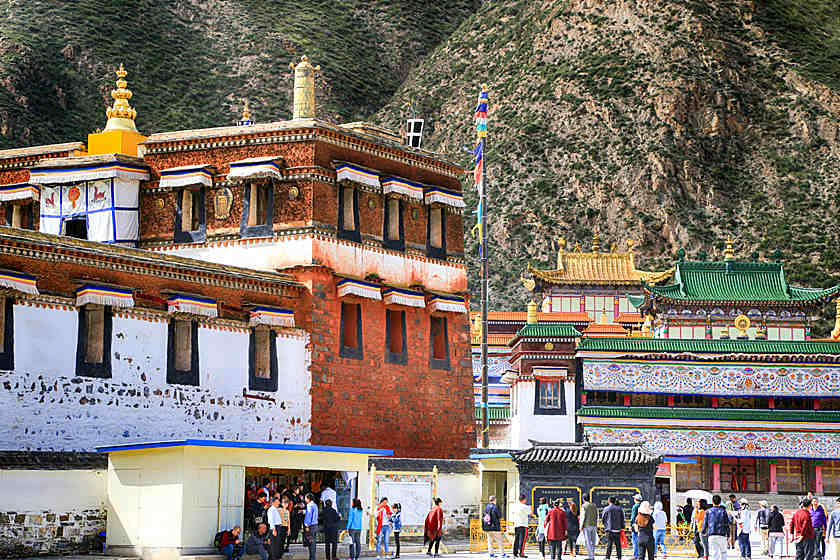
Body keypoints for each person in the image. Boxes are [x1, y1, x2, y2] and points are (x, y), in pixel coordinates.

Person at [701, 495, 729, 560]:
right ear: (720, 502)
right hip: (722, 534)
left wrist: (703, 531)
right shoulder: (723, 511)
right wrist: (728, 535)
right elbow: (726, 524)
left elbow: (705, 523)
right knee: (723, 552)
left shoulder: (708, 511)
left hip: (712, 534)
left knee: (714, 553)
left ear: (712, 502)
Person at [602, 496, 625, 560]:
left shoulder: (606, 508)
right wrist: (622, 527)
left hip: (609, 529)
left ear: (609, 501)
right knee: (618, 544)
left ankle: (607, 557)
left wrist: (605, 526)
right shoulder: (619, 509)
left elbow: (603, 519)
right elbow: (622, 519)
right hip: (617, 529)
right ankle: (619, 557)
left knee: (609, 544)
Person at [268, 496, 285, 560]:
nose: (279, 503)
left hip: (278, 527)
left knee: (277, 544)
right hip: (274, 528)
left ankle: (274, 557)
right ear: (273, 503)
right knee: (274, 545)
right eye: (277, 502)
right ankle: (273, 558)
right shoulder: (271, 509)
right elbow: (271, 520)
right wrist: (274, 530)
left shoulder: (275, 509)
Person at [580, 496, 598, 560]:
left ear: (583, 499)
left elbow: (582, 517)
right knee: (593, 541)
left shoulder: (584, 506)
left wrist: (580, 526)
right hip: (594, 525)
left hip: (587, 525)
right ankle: (592, 555)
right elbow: (597, 515)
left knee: (588, 541)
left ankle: (591, 556)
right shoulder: (594, 505)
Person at [303, 493, 319, 560]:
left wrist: (306, 525)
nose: (305, 499)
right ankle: (313, 557)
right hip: (315, 525)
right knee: (313, 542)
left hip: (310, 526)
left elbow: (308, 516)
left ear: (308, 498)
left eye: (305, 498)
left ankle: (312, 557)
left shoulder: (309, 505)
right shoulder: (315, 505)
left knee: (310, 542)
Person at [631, 494, 643, 560]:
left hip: (635, 525)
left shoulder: (635, 506)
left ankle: (635, 555)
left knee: (635, 541)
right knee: (639, 541)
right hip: (642, 525)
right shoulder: (642, 506)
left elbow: (632, 518)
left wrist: (631, 525)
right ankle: (639, 554)